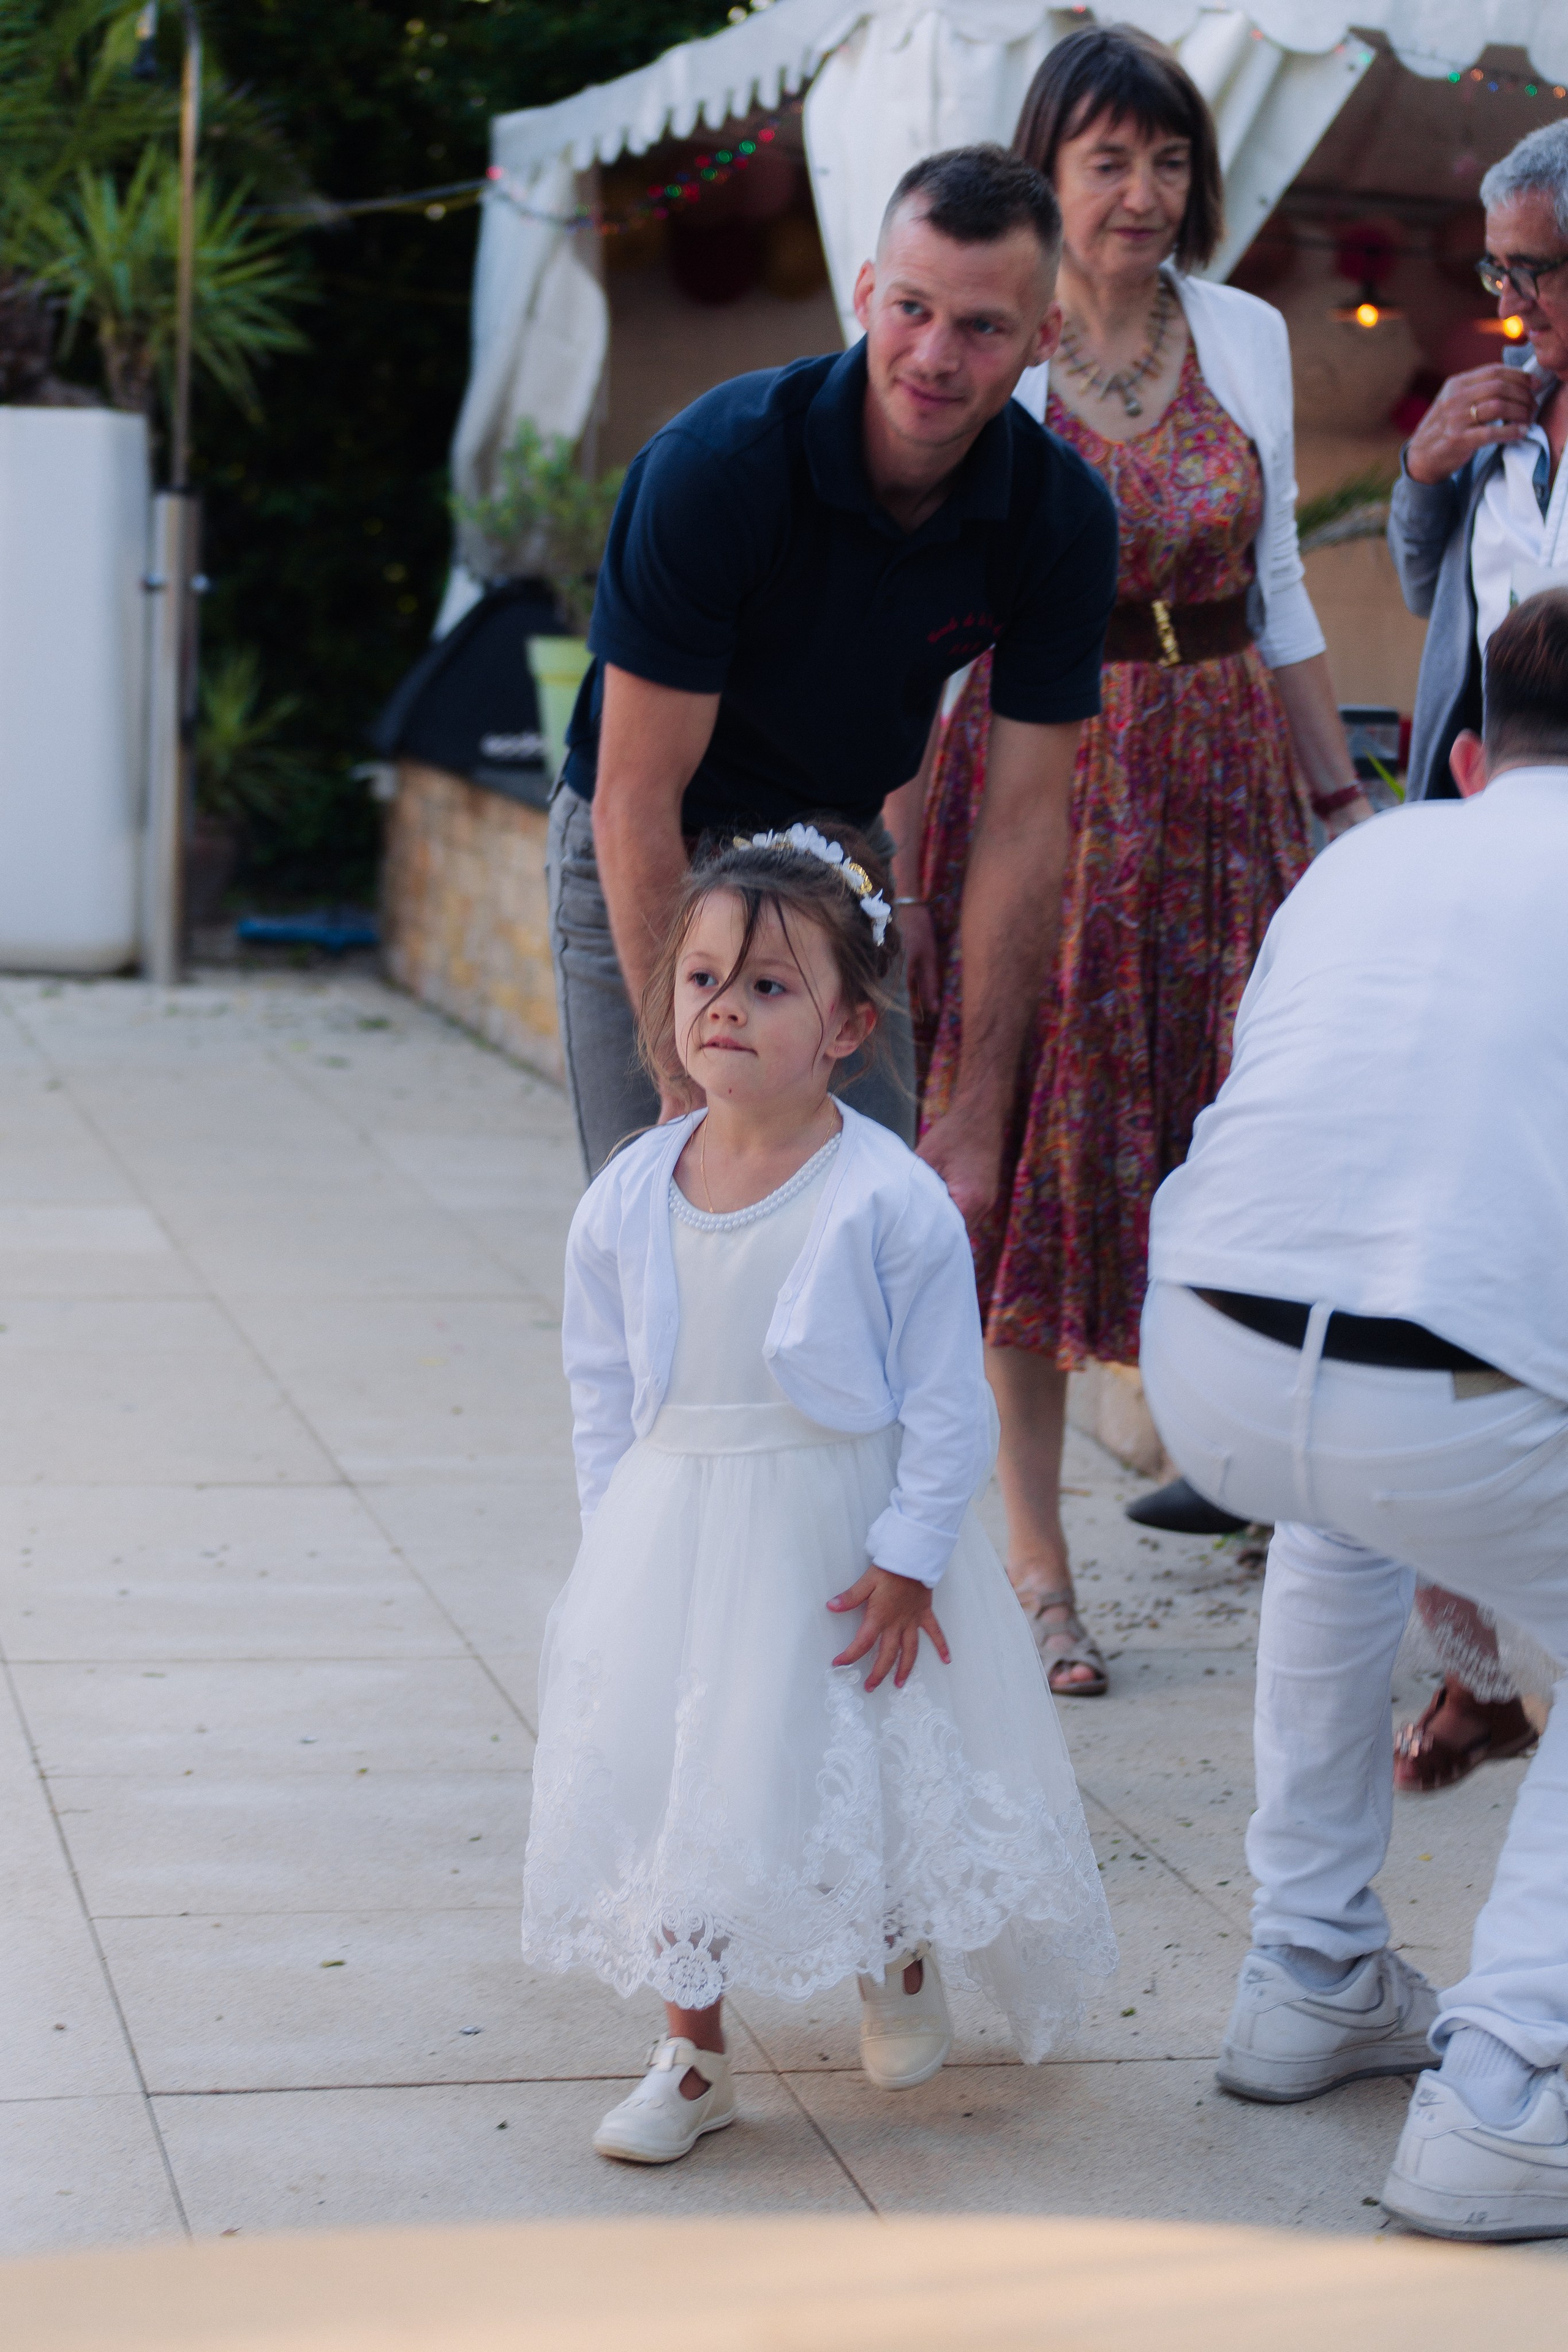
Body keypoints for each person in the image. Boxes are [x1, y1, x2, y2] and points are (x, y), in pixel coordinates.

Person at [524, 826, 1115, 2163]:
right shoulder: (627, 1195)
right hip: (679, 1528)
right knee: (692, 1772)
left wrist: (909, 1555)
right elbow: (601, 1381)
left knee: (866, 1757)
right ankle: (691, 2053)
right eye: (702, 979)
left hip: (842, 1531)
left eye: (771, 986)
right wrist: (612, 1538)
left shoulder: (886, 1199)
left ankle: (895, 1951)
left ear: (848, 1025)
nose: (725, 1005)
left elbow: (945, 1403)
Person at [915, 24, 1369, 1695]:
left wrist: (1339, 808)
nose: (1145, 191)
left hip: (1222, 775)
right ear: (1048, 169)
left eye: (1169, 160)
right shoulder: (997, 346)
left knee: (1239, 1143)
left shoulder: (1240, 332)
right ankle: (1036, 1561)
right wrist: (902, 856)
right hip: (1038, 785)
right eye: (1111, 160)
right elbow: (937, 613)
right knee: (1033, 1148)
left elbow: (1288, 589)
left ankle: (1247, 1473)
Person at [1138, 590, 1568, 2242]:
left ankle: (1308, 1974)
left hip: (1210, 1363)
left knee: (1340, 1511)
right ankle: (1516, 2083)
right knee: (1410, 1454)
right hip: (1433, 1385)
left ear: (1465, 755)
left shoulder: (1365, 858)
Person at [546, 142, 1117, 1177]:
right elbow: (638, 794)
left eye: (983, 327)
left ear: (1043, 338)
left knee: (859, 1234)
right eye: (912, 307)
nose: (936, 355)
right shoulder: (715, 469)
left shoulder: (1061, 522)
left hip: (835, 856)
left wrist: (981, 1106)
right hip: (654, 840)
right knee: (667, 1243)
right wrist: (688, 1092)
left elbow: (1027, 823)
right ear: (864, 292)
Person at [1385, 118, 1568, 1773]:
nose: (1514, 305)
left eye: (1539, 271)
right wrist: (1429, 469)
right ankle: (1484, 1656)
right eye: (1497, 269)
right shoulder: (1506, 419)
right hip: (1484, 851)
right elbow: (1428, 586)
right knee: (1472, 1263)